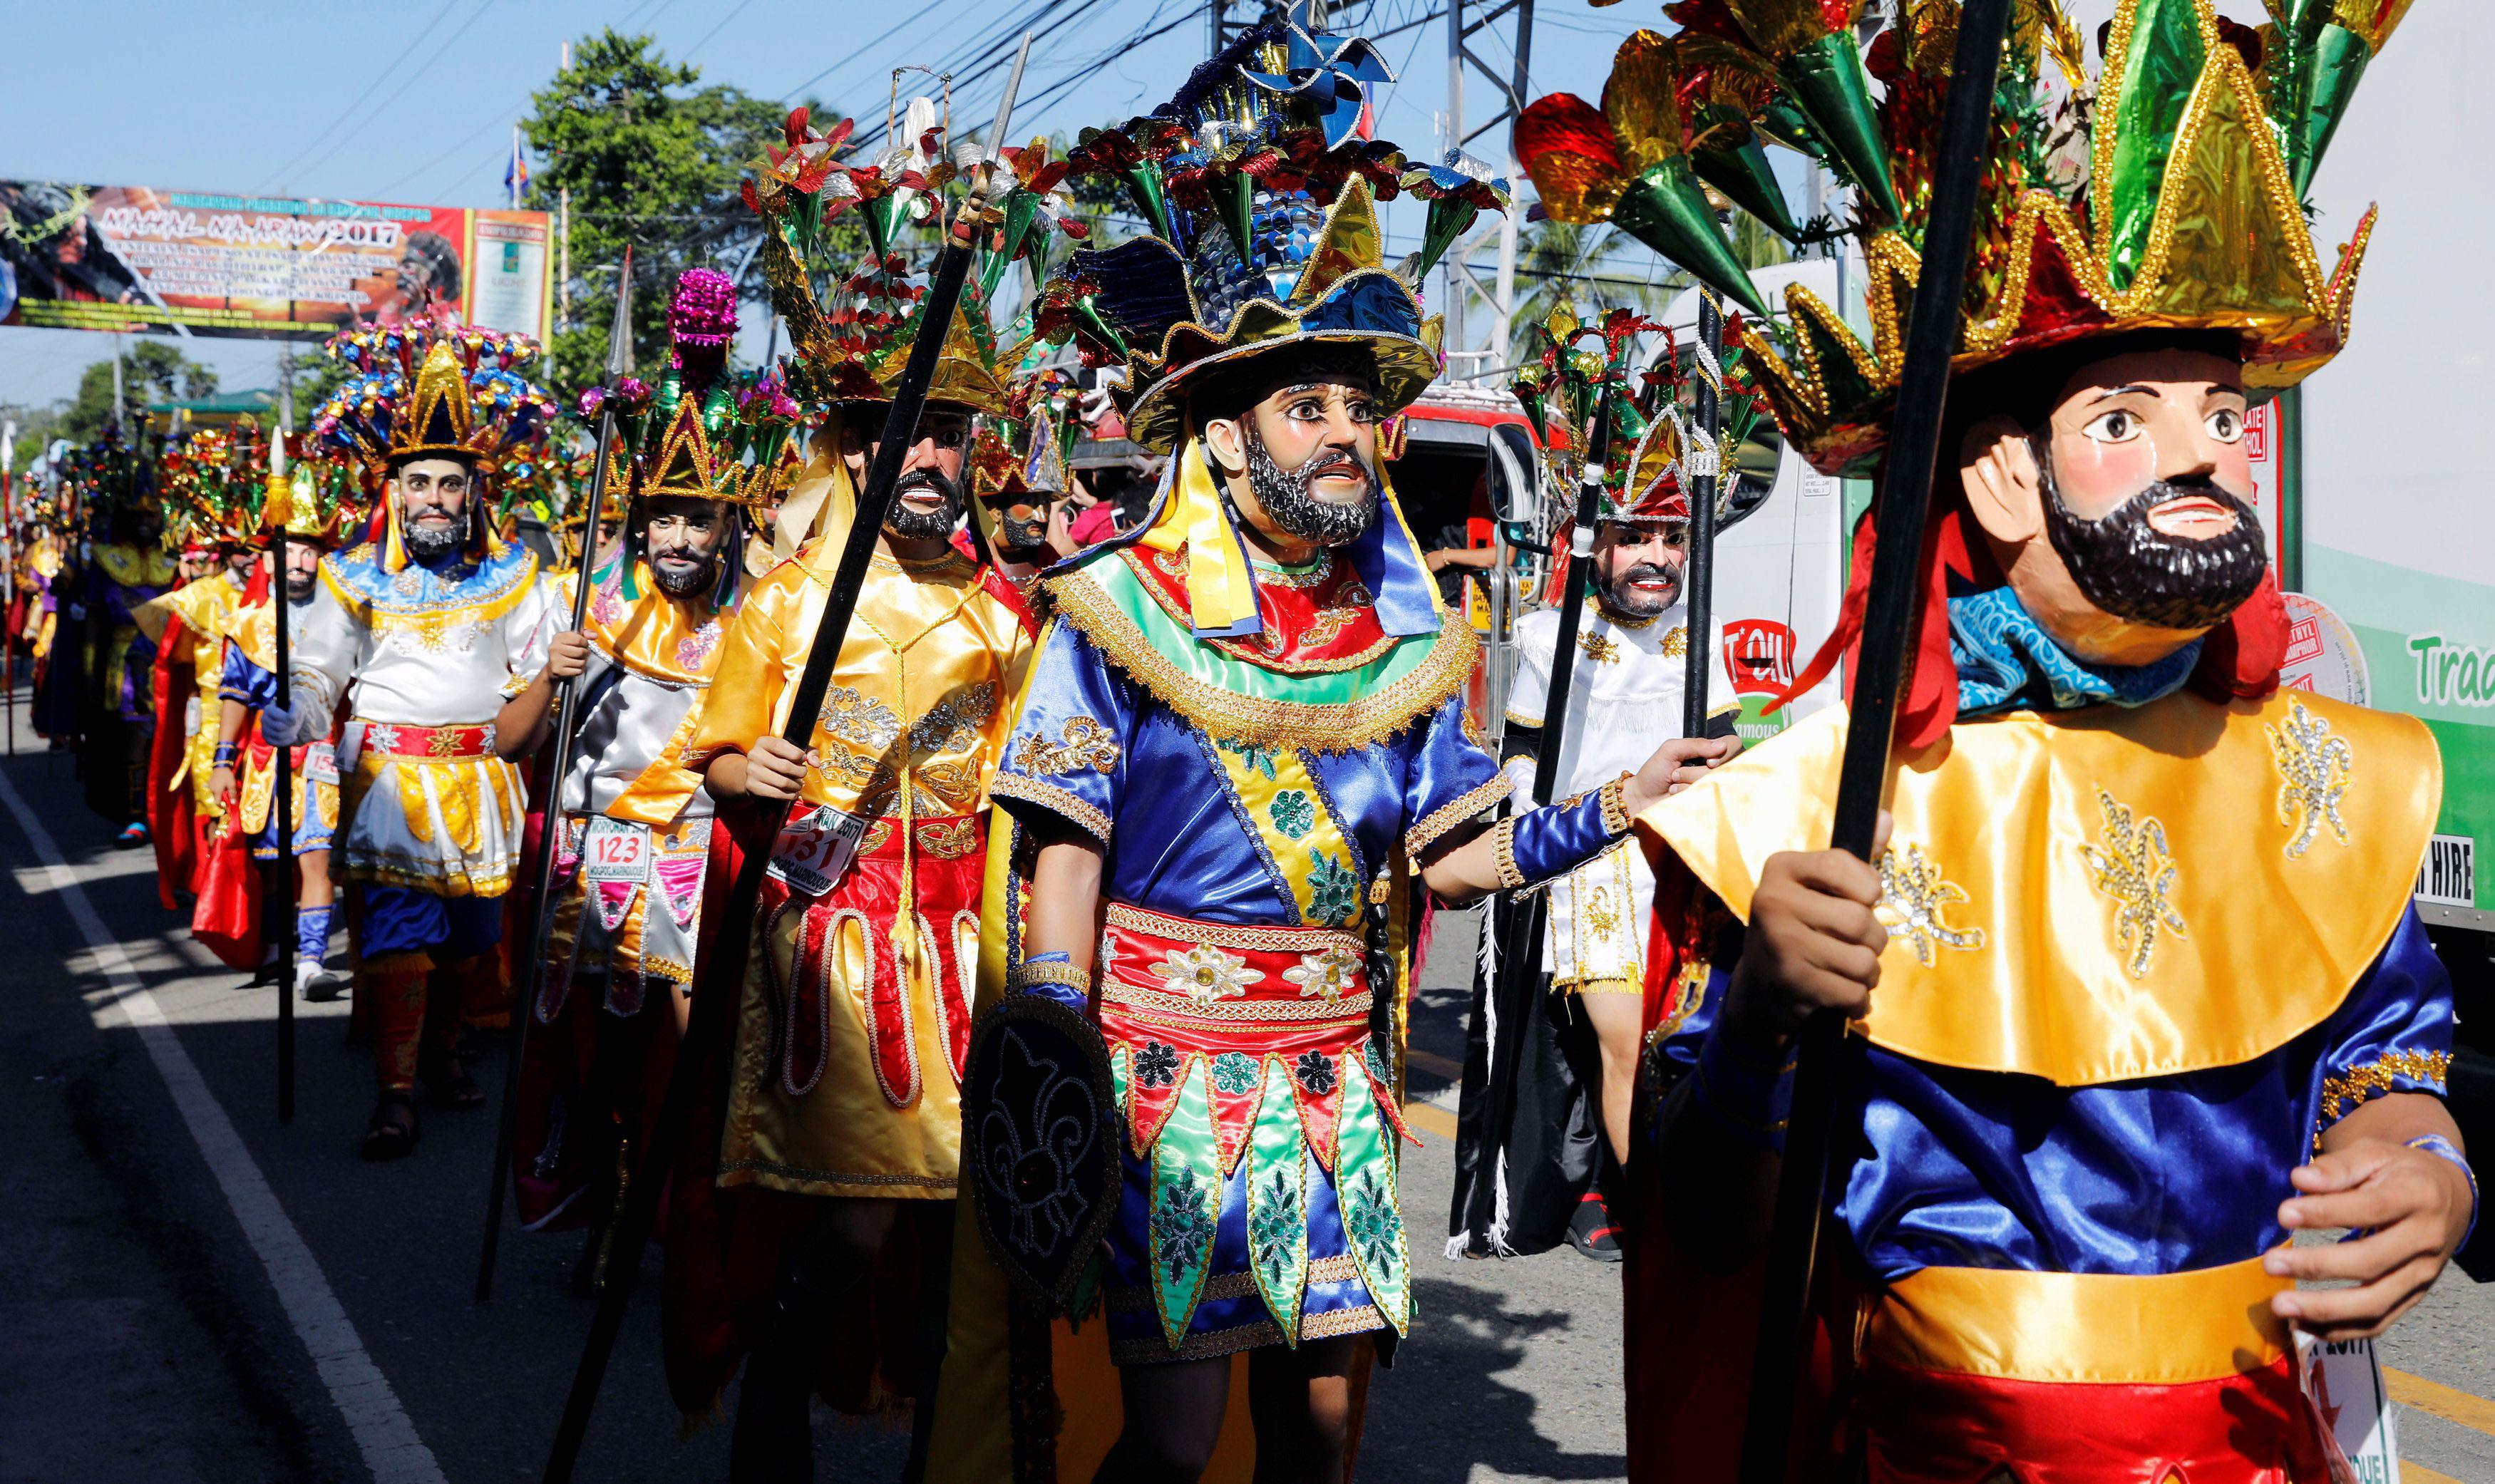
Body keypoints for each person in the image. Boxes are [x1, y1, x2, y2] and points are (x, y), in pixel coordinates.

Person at [1620, 5, 2473, 1478]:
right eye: (2130, 418)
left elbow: (2378, 1052)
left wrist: (2426, 1161)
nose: (2211, 450)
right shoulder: (1809, 800)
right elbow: (1706, 1230)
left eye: (2222, 411)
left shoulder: (2329, 778)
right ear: (2004, 479)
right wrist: (1760, 1016)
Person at [927, 20, 1721, 1480]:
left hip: (1334, 1076)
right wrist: (1056, 1072)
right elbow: (1062, 849)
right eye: (1310, 406)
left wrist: (1617, 804)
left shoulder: (1403, 635)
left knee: (1330, 1427)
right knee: (1170, 1446)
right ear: (1225, 443)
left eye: (1363, 406)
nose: (1349, 433)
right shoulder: (1116, 613)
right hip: (1160, 1080)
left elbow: (1451, 856)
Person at [659, 178, 1036, 1474]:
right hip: (839, 937)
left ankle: (953, 1441)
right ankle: (778, 1373)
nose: (927, 461)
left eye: (949, 437)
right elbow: (712, 743)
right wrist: (740, 768)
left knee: (971, 1228)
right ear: (853, 454)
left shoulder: (1007, 617)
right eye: (901, 437)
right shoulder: (787, 602)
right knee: (865, 1220)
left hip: (972, 936)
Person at [499, 268, 795, 1290]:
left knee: (695, 1063)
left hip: (697, 868)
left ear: (728, 527)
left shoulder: (763, 620)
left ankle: (677, 1224)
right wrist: (553, 669)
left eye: (697, 519)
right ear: (638, 518)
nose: (676, 538)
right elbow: (509, 743)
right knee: (595, 1066)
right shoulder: (585, 605)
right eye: (662, 517)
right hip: (593, 864)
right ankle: (608, 1210)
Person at [265, 311, 560, 1159]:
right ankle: (395, 1096)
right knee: (397, 939)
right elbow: (320, 671)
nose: (435, 499)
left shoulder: (516, 579)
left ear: (475, 494)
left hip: (483, 782)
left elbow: (537, 674)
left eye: (450, 484)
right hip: (390, 783)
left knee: (470, 942)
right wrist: (299, 711)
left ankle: (440, 1046)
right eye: (420, 484)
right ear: (392, 493)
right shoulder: (350, 576)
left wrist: (557, 675)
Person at [1460, 406, 1739, 1263]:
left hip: (1688, 866)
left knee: (1692, 1041)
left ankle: (1653, 1186)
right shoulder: (1552, 639)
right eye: (1634, 536)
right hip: (1596, 870)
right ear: (1594, 546)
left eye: (1671, 535)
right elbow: (1519, 776)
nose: (1656, 556)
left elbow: (1726, 755)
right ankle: (1647, 1203)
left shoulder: (1704, 641)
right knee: (1630, 1045)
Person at [203, 457, 359, 994]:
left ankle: (312, 960)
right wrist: (223, 763)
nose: (300, 561)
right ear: (268, 560)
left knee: (318, 860)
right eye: (289, 550)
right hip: (266, 763)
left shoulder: (344, 618)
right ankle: (277, 946)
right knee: (270, 867)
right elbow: (235, 697)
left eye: (310, 551)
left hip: (322, 755)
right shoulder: (245, 626)